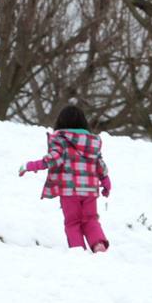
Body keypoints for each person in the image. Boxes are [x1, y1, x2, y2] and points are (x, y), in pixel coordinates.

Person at [20, 104, 111, 252]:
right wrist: (106, 181)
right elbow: (99, 164)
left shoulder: (60, 139)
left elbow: (53, 159)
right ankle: (98, 244)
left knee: (72, 222)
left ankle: (77, 250)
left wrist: (30, 166)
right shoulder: (92, 141)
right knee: (91, 219)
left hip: (69, 190)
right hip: (90, 190)